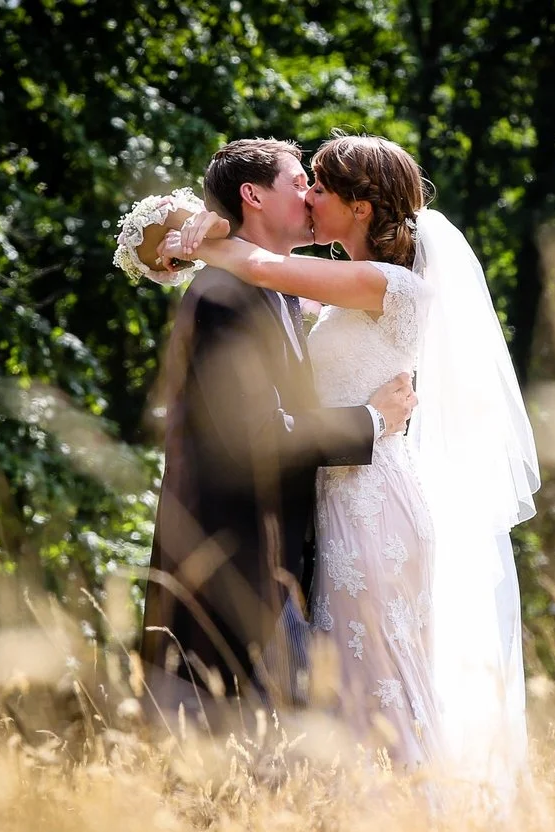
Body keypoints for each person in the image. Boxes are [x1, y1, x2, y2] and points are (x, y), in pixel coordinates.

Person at [161, 133, 539, 796]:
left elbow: (265, 267)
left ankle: (416, 815)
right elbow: (265, 275)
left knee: (379, 682)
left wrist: (203, 236)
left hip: (373, 502)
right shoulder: (337, 286)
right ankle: (363, 822)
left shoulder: (384, 284)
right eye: (301, 182)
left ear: (359, 208)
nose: (309, 196)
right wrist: (185, 230)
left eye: (320, 187)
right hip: (336, 506)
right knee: (352, 690)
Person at [140, 138, 416, 732]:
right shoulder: (225, 297)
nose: (311, 196)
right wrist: (370, 421)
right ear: (253, 196)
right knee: (253, 743)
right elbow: (257, 435)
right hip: (233, 563)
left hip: (293, 557)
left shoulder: (283, 291)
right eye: (299, 182)